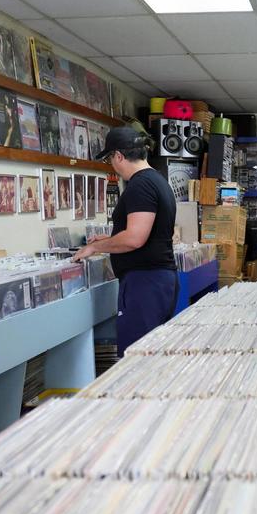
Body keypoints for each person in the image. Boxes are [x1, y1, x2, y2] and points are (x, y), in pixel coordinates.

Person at [74, 123, 177, 354]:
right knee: (148, 356)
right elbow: (148, 232)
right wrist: (112, 238)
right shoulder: (157, 181)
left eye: (109, 158)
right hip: (155, 280)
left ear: (118, 156)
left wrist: (97, 247)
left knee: (136, 360)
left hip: (145, 283)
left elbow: (134, 239)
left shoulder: (141, 185)